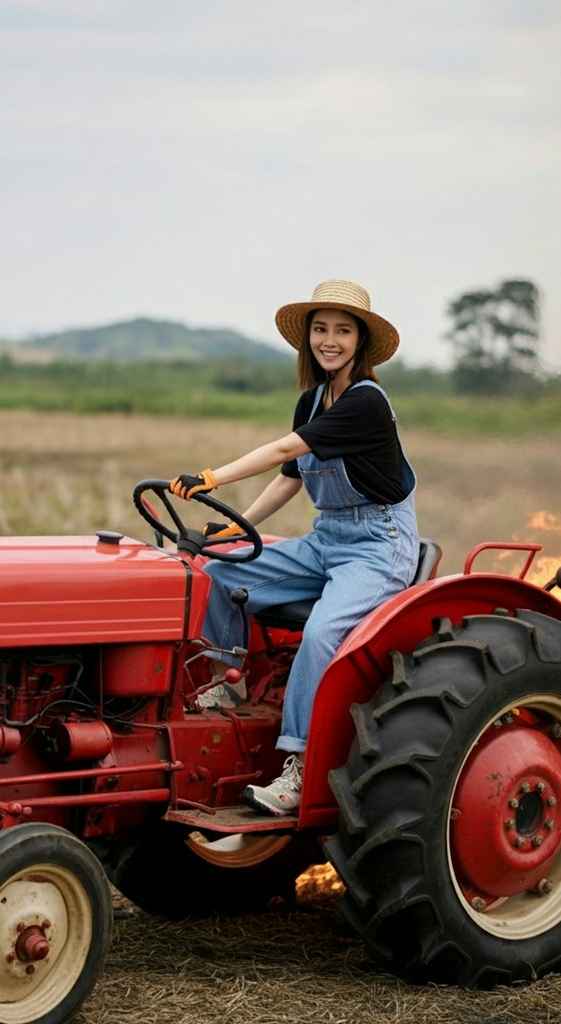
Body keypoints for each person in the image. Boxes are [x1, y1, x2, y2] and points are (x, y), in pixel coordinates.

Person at [170, 279, 419, 816]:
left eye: (343, 331)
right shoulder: (311, 401)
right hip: (328, 537)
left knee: (324, 632)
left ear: (361, 342)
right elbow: (292, 474)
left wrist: (213, 478)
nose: (330, 340)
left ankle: (300, 767)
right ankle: (226, 684)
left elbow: (284, 448)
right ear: (308, 339)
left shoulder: (367, 403)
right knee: (221, 573)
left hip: (378, 545)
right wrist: (236, 528)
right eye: (321, 329)